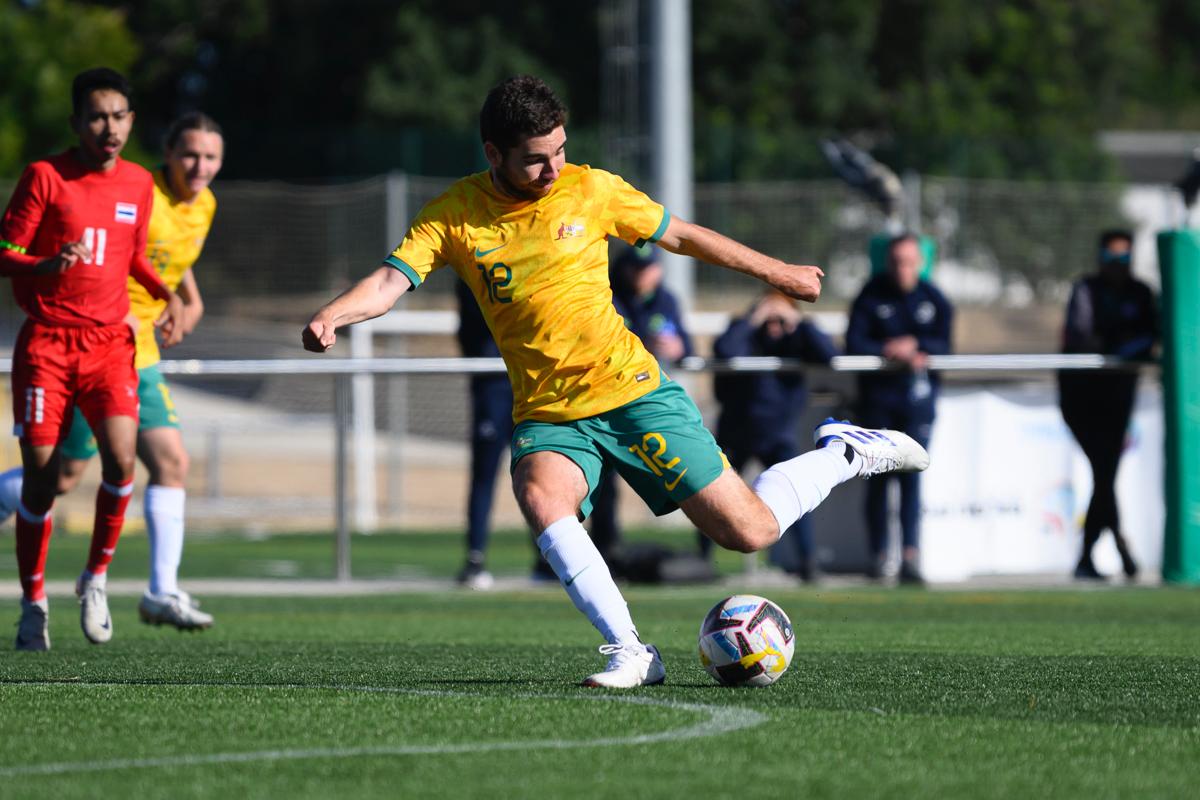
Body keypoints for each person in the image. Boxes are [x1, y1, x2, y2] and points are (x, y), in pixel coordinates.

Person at [303, 75, 928, 687]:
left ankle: (845, 451)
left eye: (561, 151)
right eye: (534, 160)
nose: (553, 170)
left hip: (632, 393)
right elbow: (389, 282)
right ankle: (631, 651)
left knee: (751, 533)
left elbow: (681, 234)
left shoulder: (592, 190)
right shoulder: (454, 214)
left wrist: (779, 273)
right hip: (548, 412)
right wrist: (334, 314)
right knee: (541, 497)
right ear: (493, 154)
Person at [0, 111, 223, 629]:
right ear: (167, 153)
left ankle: (161, 592)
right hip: (99, 345)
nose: (200, 166)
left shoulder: (205, 204)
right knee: (61, 477)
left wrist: (188, 300)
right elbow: (120, 255)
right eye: (190, 154)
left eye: (211, 157)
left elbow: (173, 260)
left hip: (138, 353)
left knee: (169, 461)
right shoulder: (139, 191)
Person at [705, 290, 838, 581]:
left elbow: (829, 355)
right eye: (769, 317)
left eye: (780, 318)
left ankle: (807, 562)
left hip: (778, 433)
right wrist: (754, 319)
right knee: (711, 495)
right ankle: (702, 561)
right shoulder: (744, 331)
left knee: (796, 495)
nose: (773, 325)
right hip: (736, 431)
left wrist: (798, 321)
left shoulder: (797, 336)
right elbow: (726, 350)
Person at [845, 233, 953, 585]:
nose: (901, 269)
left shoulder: (933, 299)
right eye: (896, 262)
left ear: (919, 264)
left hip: (916, 405)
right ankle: (878, 557)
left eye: (908, 262)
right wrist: (888, 348)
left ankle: (910, 556)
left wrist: (918, 345)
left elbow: (946, 343)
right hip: (878, 403)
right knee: (876, 481)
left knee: (911, 481)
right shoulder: (870, 295)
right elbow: (854, 341)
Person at [1058, 229, 1157, 581]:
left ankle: (1096, 553)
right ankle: (1114, 545)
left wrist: (1126, 344)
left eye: (1124, 259)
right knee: (1104, 472)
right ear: (1100, 259)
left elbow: (1152, 334)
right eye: (1112, 260)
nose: (1118, 267)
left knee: (1105, 474)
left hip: (1118, 399)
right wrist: (1122, 343)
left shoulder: (1141, 293)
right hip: (1082, 398)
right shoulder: (1085, 290)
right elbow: (1080, 336)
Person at [588, 244, 693, 567]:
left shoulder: (666, 299)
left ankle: (702, 553)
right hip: (603, 399)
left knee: (683, 471)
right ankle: (601, 551)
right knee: (598, 483)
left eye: (648, 268)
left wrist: (678, 348)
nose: (642, 275)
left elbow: (685, 344)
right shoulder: (606, 294)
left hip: (648, 400)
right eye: (635, 268)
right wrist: (645, 342)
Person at [454, 277, 513, 590]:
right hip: (493, 386)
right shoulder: (474, 266)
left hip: (534, 383)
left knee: (545, 469)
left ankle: (548, 560)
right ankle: (475, 557)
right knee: (484, 473)